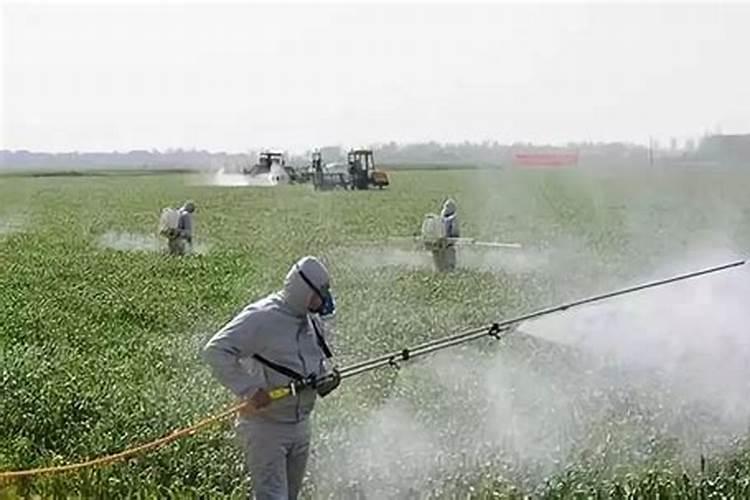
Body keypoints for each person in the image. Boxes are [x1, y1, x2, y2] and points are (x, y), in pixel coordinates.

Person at [202, 256, 340, 500]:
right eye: (321, 292)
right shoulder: (262, 317)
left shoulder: (312, 321)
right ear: (304, 290)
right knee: (272, 496)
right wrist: (249, 390)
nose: (325, 299)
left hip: (300, 425)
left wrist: (325, 379)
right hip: (267, 428)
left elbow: (315, 361)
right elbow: (216, 350)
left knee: (290, 495)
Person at [432, 198, 460, 272]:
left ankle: (446, 268)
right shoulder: (443, 218)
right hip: (441, 243)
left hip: (446, 244)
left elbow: (455, 233)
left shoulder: (452, 219)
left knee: (447, 261)